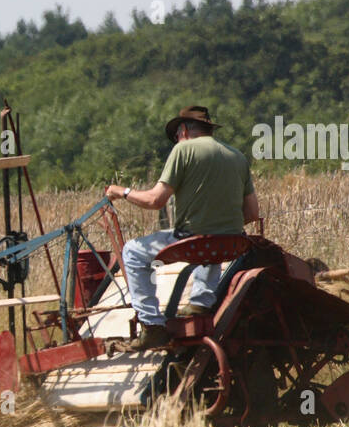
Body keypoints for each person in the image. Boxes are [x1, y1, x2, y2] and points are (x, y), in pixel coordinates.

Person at [103, 105, 259, 350]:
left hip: (195, 240)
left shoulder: (183, 150)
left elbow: (156, 201)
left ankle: (152, 324)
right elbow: (252, 214)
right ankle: (200, 301)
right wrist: (218, 221)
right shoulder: (237, 156)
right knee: (211, 242)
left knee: (133, 251)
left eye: (176, 134)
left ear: (184, 130)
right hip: (232, 241)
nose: (177, 138)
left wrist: (121, 192)